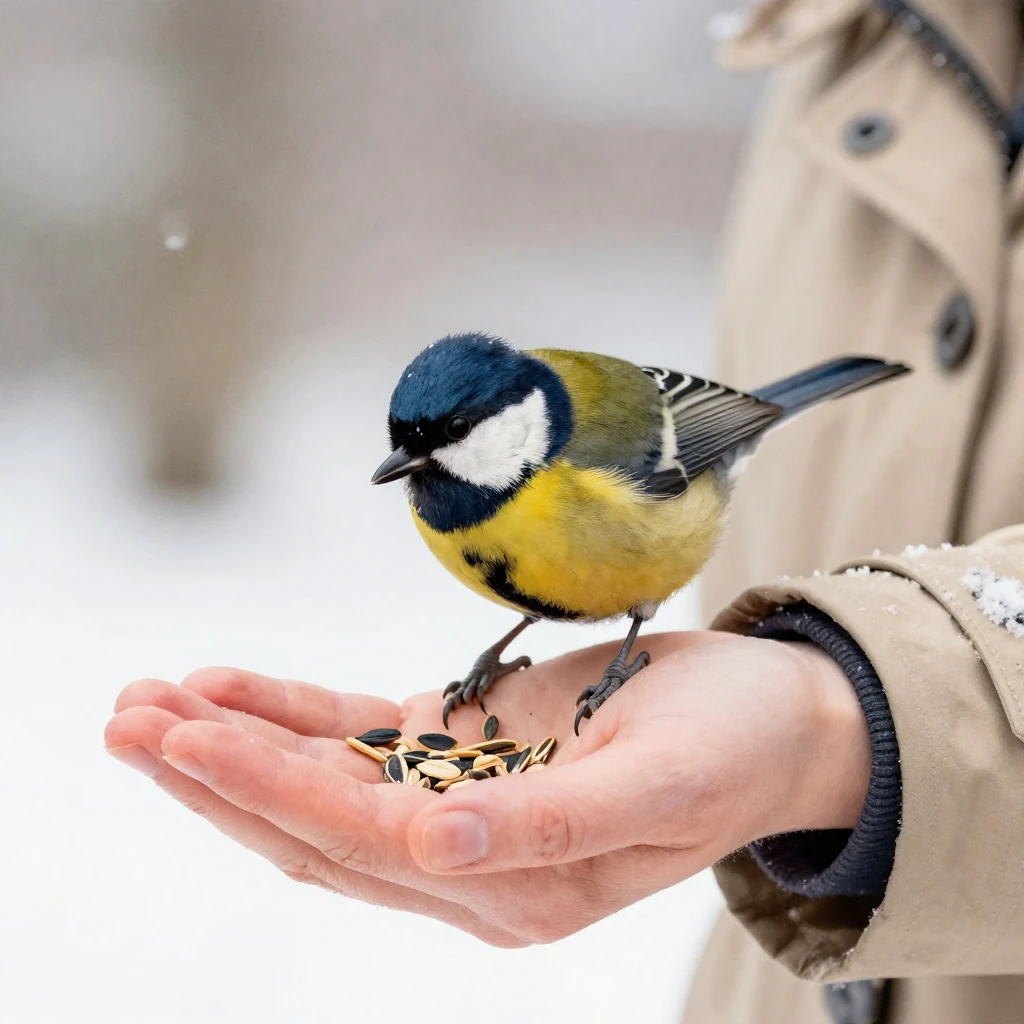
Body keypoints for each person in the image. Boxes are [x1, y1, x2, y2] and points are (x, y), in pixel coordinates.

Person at [105, 2, 1024, 1021]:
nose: (415, 466)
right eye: (408, 447)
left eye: (439, 440)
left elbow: (691, 429)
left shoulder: (588, 463)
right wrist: (497, 659)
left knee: (623, 584)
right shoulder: (439, 498)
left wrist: (727, 685)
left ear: (509, 421)